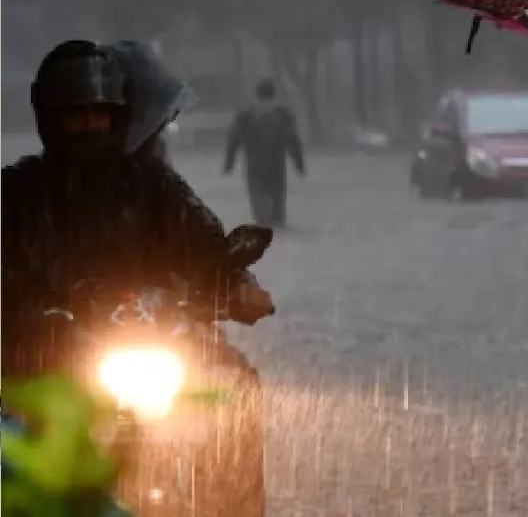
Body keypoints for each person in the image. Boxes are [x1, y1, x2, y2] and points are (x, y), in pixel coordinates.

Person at [2, 40, 275, 377]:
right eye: (77, 115)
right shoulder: (16, 192)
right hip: (37, 361)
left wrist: (236, 283)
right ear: (52, 120)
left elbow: (204, 246)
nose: (91, 124)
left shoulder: (153, 186)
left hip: (147, 343)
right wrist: (34, 317)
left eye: (100, 114)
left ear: (117, 118)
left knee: (233, 380)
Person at [222, 78, 306, 228]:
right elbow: (293, 141)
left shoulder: (246, 116)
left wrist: (229, 164)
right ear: (274, 96)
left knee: (261, 212)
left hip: (255, 169)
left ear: (256, 95)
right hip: (276, 169)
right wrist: (299, 165)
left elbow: (233, 140)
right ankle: (277, 234)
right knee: (277, 213)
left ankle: (268, 234)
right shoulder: (283, 116)